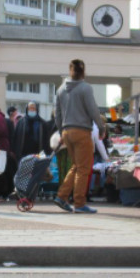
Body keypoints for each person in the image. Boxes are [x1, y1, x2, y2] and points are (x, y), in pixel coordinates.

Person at [54, 59, 106, 214]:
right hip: (82, 132)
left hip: (66, 132)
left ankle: (62, 196)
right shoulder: (85, 88)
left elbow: (57, 114)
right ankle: (79, 203)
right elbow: (93, 110)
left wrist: (60, 131)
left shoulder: (61, 89)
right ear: (83, 71)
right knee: (84, 168)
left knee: (75, 166)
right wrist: (102, 126)